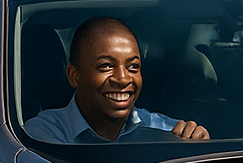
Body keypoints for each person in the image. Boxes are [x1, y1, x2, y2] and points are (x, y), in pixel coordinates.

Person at [24, 17, 210, 142]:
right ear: (74, 75)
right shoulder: (42, 137)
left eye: (133, 67)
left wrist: (197, 142)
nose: (122, 79)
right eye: (106, 66)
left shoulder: (163, 131)